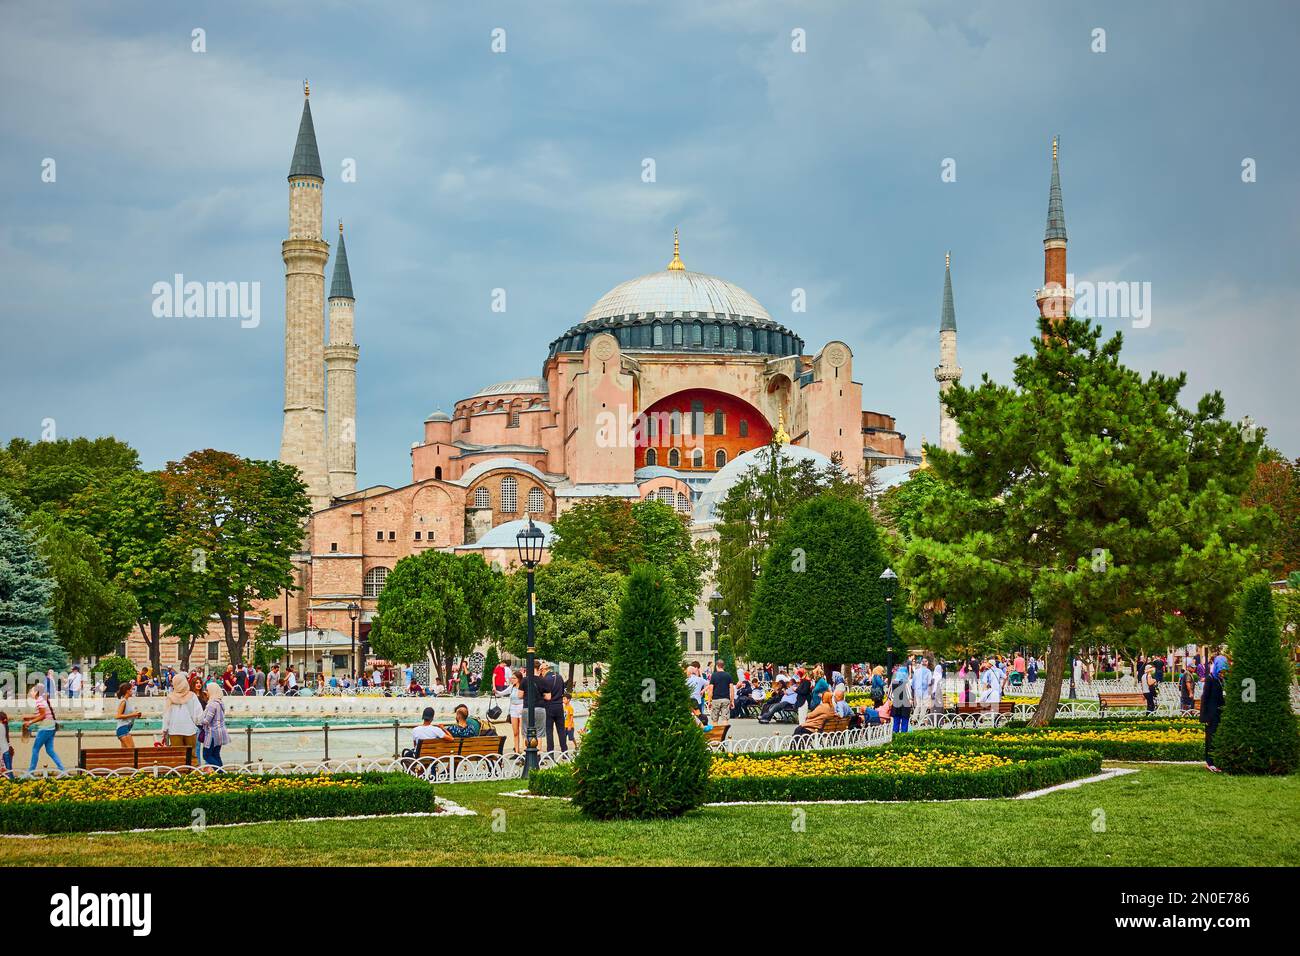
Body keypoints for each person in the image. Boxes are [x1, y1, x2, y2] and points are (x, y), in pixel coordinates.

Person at [161, 673, 203, 763]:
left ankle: (181, 774)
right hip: (190, 729)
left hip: (174, 730)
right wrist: (197, 724)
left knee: (178, 755)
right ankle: (194, 774)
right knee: (192, 755)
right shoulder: (192, 696)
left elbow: (166, 715)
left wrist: (165, 729)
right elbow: (198, 714)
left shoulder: (170, 697)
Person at [23, 687, 64, 773]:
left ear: (36, 692)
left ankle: (31, 771)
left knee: (35, 749)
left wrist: (30, 722)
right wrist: (28, 718)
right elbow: (41, 714)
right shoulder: (43, 700)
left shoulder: (39, 701)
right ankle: (62, 769)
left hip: (45, 728)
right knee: (50, 750)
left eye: (31, 691)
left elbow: (43, 716)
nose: (30, 692)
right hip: (51, 727)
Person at [533, 661, 567, 753]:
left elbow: (543, 694)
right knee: (561, 731)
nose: (541, 673)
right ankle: (565, 751)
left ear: (543, 670)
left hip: (549, 707)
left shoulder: (544, 680)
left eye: (540, 671)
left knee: (549, 731)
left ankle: (550, 752)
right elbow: (563, 691)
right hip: (559, 706)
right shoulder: (559, 677)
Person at [198, 682, 231, 768]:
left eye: (208, 690)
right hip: (220, 733)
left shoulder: (212, 704)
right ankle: (221, 775)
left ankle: (220, 771)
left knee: (206, 755)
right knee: (216, 755)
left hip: (212, 734)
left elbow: (206, 721)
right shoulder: (220, 703)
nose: (206, 692)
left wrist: (198, 720)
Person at [1200, 663, 1225, 771]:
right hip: (1211, 715)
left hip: (1219, 713)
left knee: (1218, 737)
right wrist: (1204, 717)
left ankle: (1217, 761)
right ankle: (1210, 762)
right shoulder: (1210, 679)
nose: (1222, 674)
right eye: (1220, 671)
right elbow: (1204, 697)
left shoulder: (1221, 680)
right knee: (1211, 738)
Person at [705, 659, 734, 728]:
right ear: (723, 666)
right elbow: (732, 689)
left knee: (715, 720)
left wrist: (709, 701)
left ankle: (716, 736)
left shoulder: (714, 676)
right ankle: (724, 735)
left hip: (716, 700)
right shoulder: (728, 675)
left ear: (716, 666)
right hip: (726, 699)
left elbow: (710, 689)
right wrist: (732, 701)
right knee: (725, 719)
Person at [115, 683, 142, 748]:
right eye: (131, 689)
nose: (133, 691)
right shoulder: (123, 701)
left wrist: (136, 715)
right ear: (127, 691)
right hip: (123, 728)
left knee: (125, 753)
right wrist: (133, 714)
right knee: (132, 750)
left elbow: (127, 715)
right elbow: (118, 716)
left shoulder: (126, 701)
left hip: (125, 728)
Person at [889, 666, 913, 733]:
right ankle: (903, 736)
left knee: (896, 721)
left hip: (896, 704)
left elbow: (891, 695)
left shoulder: (893, 682)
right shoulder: (906, 682)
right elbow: (909, 695)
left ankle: (895, 735)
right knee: (904, 721)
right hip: (905, 704)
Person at [507, 672, 526, 753]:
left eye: (514, 678)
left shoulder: (523, 687)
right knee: (515, 732)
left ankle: (524, 749)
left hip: (521, 708)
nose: (512, 679)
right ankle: (516, 750)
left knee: (523, 731)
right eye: (512, 678)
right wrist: (495, 690)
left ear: (519, 679)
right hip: (513, 709)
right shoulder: (511, 687)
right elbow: (502, 693)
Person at [0, 711, 13, 780]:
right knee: (9, 770)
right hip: (7, 749)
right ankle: (13, 784)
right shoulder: (5, 726)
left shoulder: (1, 726)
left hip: (3, 751)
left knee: (8, 771)